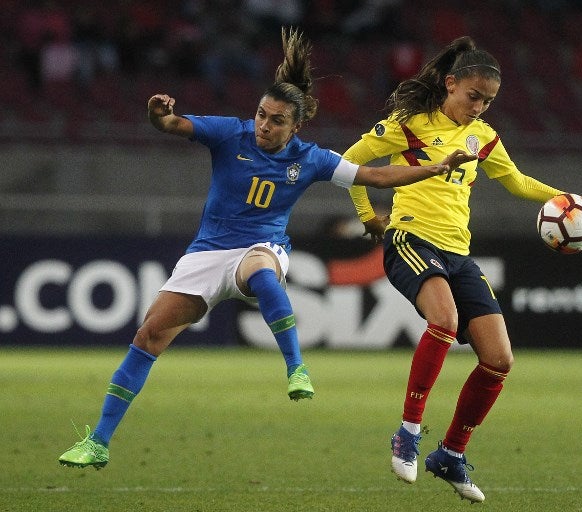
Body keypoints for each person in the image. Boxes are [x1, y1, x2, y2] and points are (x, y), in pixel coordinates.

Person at [58, 27, 476, 470]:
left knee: (259, 268)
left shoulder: (311, 158)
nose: (264, 125)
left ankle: (296, 367)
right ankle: (98, 442)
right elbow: (173, 124)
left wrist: (435, 168)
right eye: (261, 114)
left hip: (263, 247)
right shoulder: (230, 134)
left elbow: (374, 176)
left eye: (276, 120)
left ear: (296, 126)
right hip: (207, 253)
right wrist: (156, 114)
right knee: (148, 336)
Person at [342, 36, 582, 503]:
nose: (479, 107)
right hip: (411, 238)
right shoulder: (408, 123)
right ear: (450, 83)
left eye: (488, 101)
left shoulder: (483, 137)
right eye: (473, 96)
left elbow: (517, 182)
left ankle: (451, 453)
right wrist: (368, 216)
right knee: (445, 321)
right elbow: (350, 163)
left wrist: (571, 199)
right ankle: (408, 432)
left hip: (458, 253)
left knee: (499, 359)